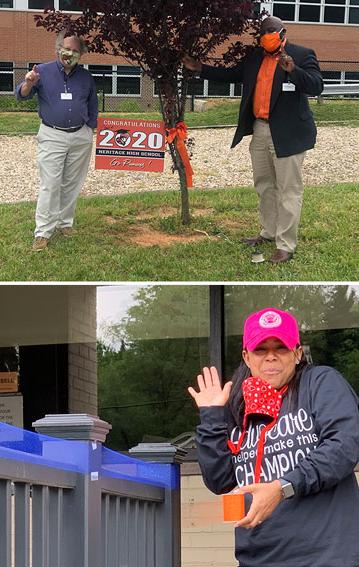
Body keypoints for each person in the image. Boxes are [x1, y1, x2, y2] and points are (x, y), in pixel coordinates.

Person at [188, 307, 359, 567]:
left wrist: (282, 487)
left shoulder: (321, 383)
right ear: (246, 357)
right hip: (256, 558)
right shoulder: (237, 404)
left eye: (280, 348)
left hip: (325, 556)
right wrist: (212, 417)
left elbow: (343, 447)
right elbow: (219, 481)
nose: (271, 358)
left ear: (297, 353)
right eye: (260, 350)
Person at [182, 17, 323, 264]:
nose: (266, 35)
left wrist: (294, 70)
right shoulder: (255, 57)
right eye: (263, 32)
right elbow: (231, 75)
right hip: (260, 129)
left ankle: (286, 245)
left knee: (288, 190)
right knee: (264, 185)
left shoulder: (301, 54)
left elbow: (317, 85)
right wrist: (200, 68)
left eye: (271, 31)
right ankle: (269, 232)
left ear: (282, 32)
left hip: (289, 133)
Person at [15, 29, 98, 252]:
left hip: (80, 135)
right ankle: (42, 231)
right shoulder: (40, 71)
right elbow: (21, 95)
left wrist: (90, 129)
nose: (69, 53)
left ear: (81, 54)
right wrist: (29, 83)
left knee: (72, 183)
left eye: (75, 51)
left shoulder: (86, 77)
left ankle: (65, 223)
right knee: (50, 185)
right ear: (58, 48)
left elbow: (92, 104)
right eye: (67, 49)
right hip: (52, 134)